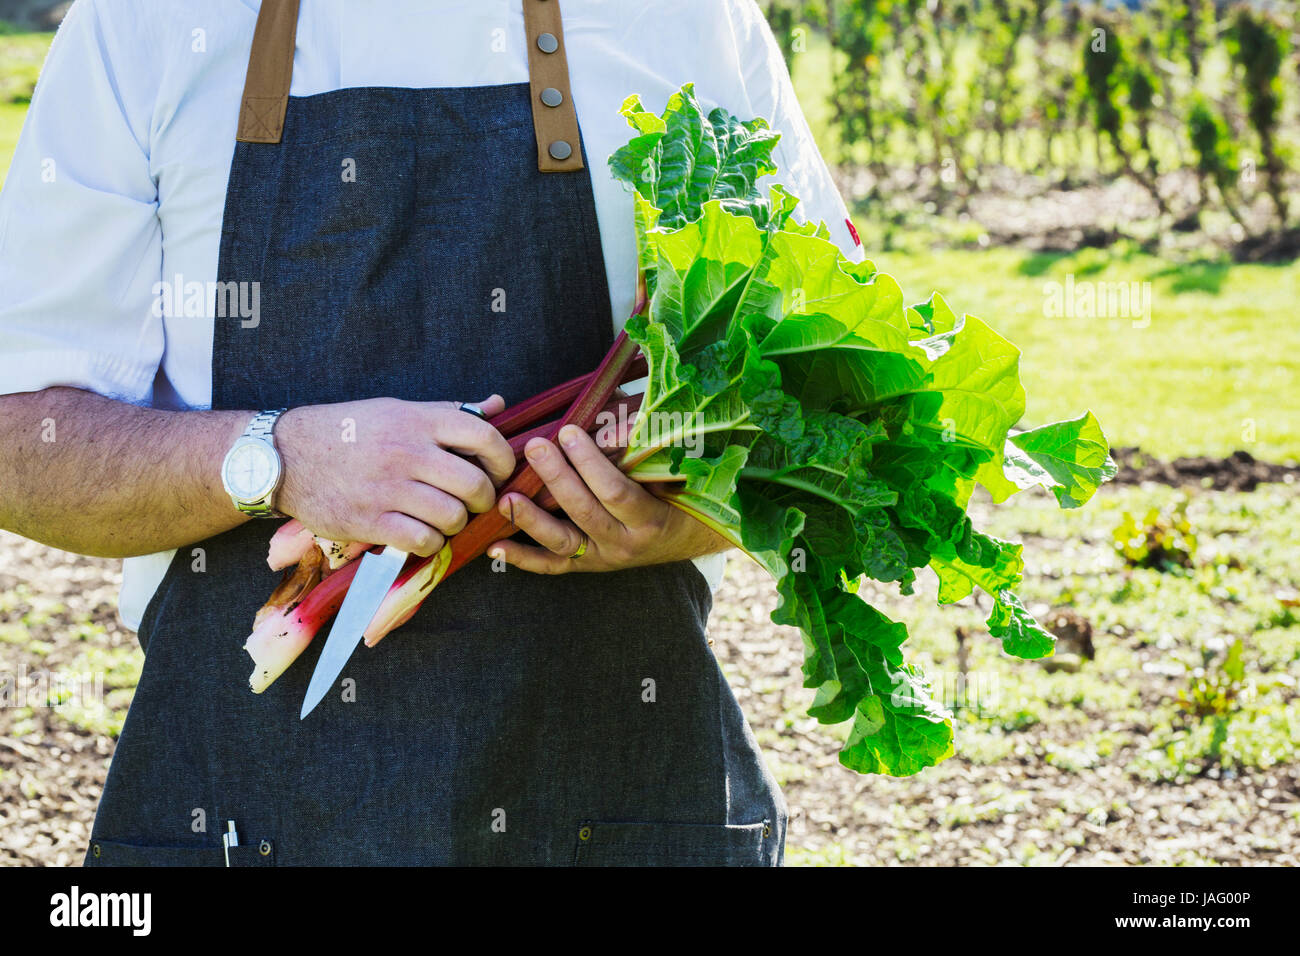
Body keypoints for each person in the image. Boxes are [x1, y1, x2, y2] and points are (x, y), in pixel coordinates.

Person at [0, 0, 865, 865]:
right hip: (235, 813)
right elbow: (19, 443)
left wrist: (679, 518)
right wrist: (273, 457)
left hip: (627, 809)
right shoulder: (143, 23)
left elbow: (837, 402)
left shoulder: (688, 20)